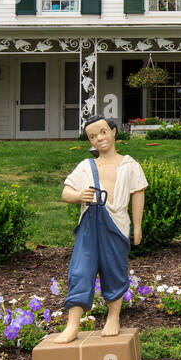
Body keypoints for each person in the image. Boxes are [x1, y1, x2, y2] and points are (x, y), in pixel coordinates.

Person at [54, 116, 147, 342]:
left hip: (116, 224)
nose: (99, 139)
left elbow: (138, 193)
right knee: (80, 270)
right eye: (93, 136)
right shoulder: (86, 166)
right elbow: (66, 193)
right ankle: (72, 325)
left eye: (103, 132)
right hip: (89, 223)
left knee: (114, 270)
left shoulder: (129, 164)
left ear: (114, 132)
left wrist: (137, 226)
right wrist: (77, 196)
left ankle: (113, 317)